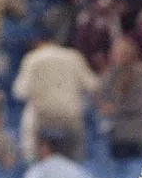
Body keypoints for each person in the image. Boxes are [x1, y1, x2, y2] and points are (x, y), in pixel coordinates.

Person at [12, 29, 98, 161]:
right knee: (73, 160)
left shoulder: (33, 58)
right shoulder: (73, 56)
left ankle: (37, 167)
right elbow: (93, 86)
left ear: (38, 42)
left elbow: (20, 92)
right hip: (70, 119)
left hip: (44, 120)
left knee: (29, 123)